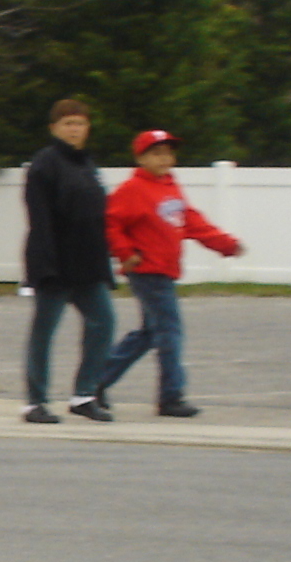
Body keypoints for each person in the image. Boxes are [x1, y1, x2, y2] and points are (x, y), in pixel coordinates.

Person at [92, 129, 241, 419]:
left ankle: (94, 381)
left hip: (165, 270)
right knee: (169, 332)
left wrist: (224, 244)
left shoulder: (170, 186)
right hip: (148, 270)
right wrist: (125, 253)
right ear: (141, 158)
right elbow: (110, 223)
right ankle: (171, 397)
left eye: (169, 153)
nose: (165, 159)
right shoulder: (132, 190)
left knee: (150, 333)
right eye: (156, 153)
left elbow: (191, 222)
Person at [18, 97, 118, 424]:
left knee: (103, 322)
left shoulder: (87, 165)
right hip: (56, 265)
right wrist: (43, 266)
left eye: (80, 123)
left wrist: (106, 260)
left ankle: (84, 395)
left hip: (88, 265)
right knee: (44, 332)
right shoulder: (44, 165)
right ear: (54, 128)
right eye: (68, 123)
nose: (75, 129)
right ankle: (35, 402)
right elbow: (39, 220)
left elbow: (98, 217)